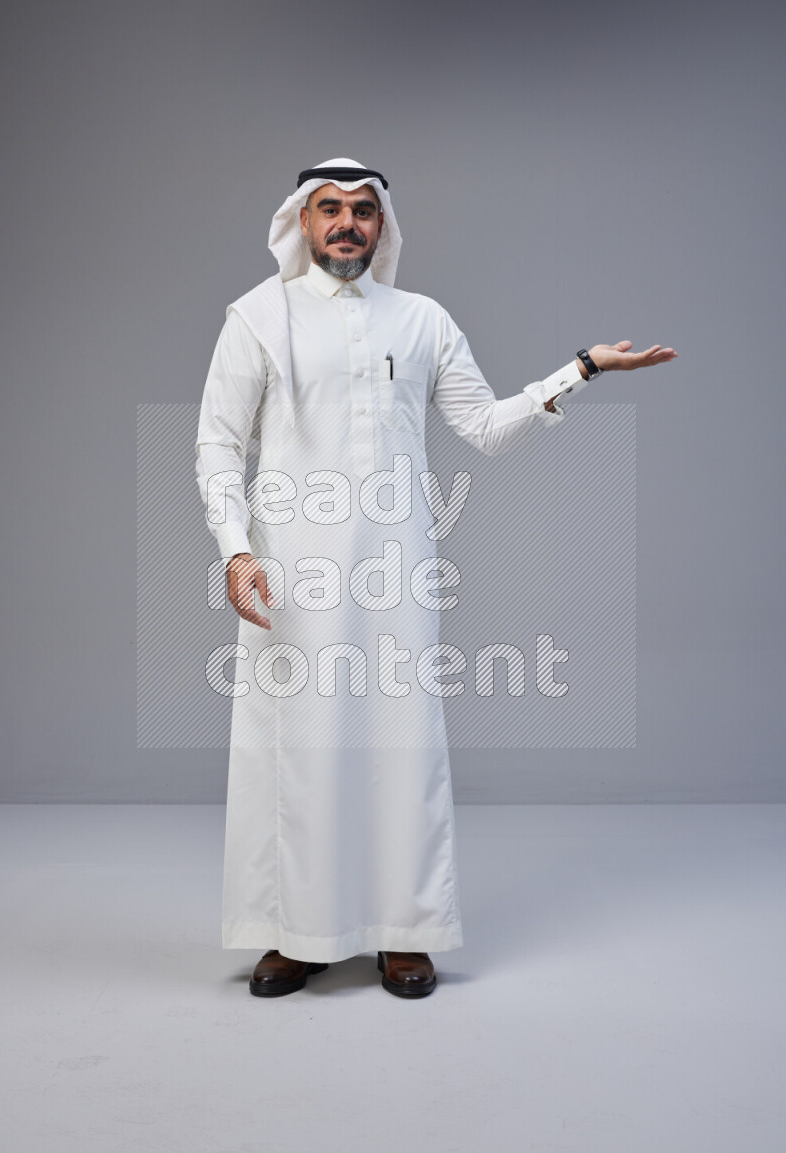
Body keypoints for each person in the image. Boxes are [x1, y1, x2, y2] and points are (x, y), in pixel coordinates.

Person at [195, 157, 677, 999]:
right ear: (302, 222)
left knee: (400, 746)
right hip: (290, 577)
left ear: (382, 225)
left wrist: (582, 369)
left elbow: (484, 426)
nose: (347, 223)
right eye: (330, 208)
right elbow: (217, 443)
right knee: (298, 750)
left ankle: (404, 932)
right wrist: (236, 550)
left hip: (397, 574)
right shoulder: (258, 317)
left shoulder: (422, 320)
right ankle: (297, 933)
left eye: (362, 210)